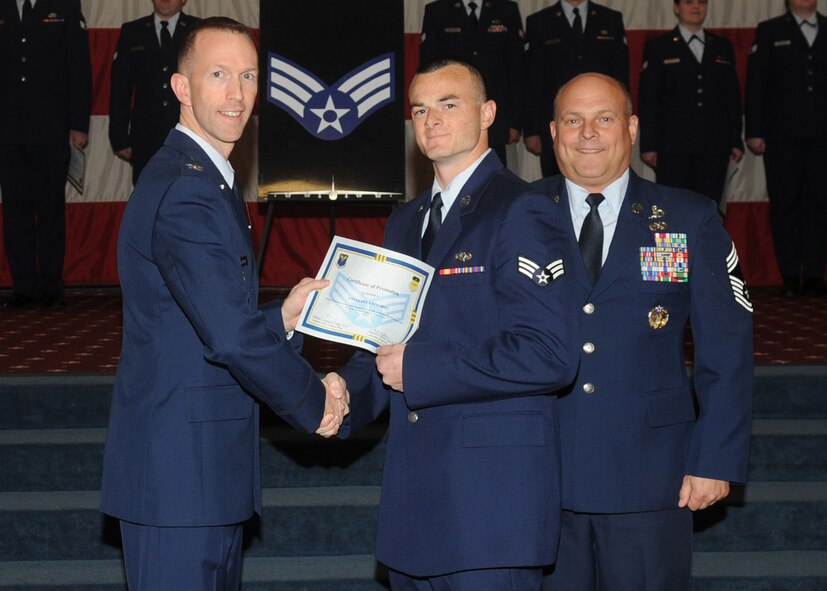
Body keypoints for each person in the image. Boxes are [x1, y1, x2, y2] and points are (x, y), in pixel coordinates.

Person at [100, 18, 348, 590]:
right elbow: (230, 338)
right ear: (181, 88)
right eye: (218, 75)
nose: (237, 94)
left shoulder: (206, 178)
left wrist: (282, 317)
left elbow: (196, 324)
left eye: (248, 76)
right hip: (178, 481)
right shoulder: (187, 187)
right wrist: (314, 400)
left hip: (200, 476)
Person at [326, 57, 578, 590]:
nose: (431, 119)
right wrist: (340, 395)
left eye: (448, 104)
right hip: (416, 505)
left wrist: (418, 367)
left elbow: (549, 353)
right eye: (420, 109)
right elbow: (385, 342)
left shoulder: (523, 209)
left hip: (491, 508)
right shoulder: (405, 220)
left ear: (487, 113)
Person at [533, 73, 753, 591]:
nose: (588, 133)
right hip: (539, 468)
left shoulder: (688, 218)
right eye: (573, 120)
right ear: (554, 131)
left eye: (603, 119)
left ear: (630, 128)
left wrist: (715, 457)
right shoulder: (516, 216)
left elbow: (727, 350)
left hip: (652, 475)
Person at [0, 0, 92, 308]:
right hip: (7, 129)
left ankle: (51, 283)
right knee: (15, 209)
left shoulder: (63, 5)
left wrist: (78, 124)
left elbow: (79, 65)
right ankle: (24, 284)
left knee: (51, 208)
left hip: (52, 128)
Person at [746, 0, 827, 297]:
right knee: (786, 205)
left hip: (822, 136)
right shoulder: (770, 31)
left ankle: (815, 275)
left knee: (820, 204)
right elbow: (756, 83)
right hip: (782, 136)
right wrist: (754, 131)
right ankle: (791, 275)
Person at [638, 0, 744, 204]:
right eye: (688, 2)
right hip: (672, 147)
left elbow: (732, 97)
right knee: (673, 208)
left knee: (709, 208)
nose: (696, 7)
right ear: (676, 8)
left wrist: (735, 140)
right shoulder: (659, 46)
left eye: (701, 2)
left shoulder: (722, 46)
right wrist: (648, 144)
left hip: (714, 146)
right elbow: (649, 98)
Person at [524, 0, 628, 177]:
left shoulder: (610, 19)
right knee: (555, 185)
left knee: (605, 176)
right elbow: (532, 79)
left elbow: (621, 76)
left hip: (603, 121)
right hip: (556, 120)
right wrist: (532, 129)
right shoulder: (539, 21)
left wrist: (624, 121)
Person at [419, 0, 526, 165]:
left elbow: (517, 69)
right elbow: (429, 69)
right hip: (451, 114)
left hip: (494, 115)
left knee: (494, 176)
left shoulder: (505, 9)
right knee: (455, 169)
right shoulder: (437, 11)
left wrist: (515, 122)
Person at [109, 0, 200, 185]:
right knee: (147, 201)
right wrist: (119, 137)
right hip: (145, 139)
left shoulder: (198, 30)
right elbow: (120, 89)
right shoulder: (132, 32)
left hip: (189, 134)